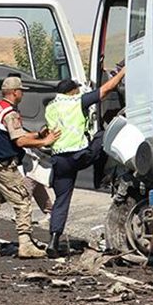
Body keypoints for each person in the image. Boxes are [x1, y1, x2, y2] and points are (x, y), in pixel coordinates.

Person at [44, 66, 127, 255]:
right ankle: (101, 177)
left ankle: (53, 241)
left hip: (59, 159)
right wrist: (123, 72)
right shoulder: (76, 101)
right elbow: (106, 89)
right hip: (79, 155)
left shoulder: (50, 106)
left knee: (61, 200)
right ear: (71, 91)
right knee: (103, 136)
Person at [0, 76, 59, 260]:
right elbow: (19, 140)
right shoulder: (11, 113)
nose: (22, 93)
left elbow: (11, 134)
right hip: (2, 165)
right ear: (15, 92)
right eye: (21, 90)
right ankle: (25, 244)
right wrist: (44, 141)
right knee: (22, 201)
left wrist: (37, 133)